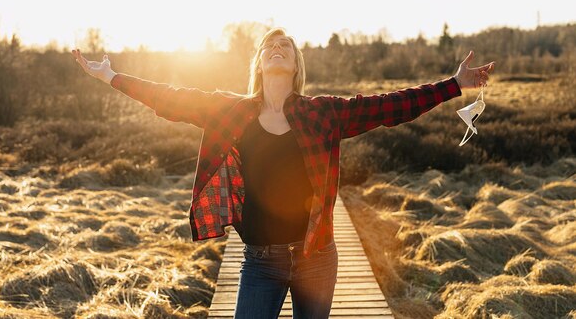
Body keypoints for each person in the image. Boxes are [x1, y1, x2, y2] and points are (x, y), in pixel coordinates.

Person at [71, 27, 494, 318]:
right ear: (258, 63)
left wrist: (453, 85)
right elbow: (169, 98)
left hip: (317, 257)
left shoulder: (323, 113)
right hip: (261, 262)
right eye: (269, 46)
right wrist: (111, 76)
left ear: (295, 66)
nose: (277, 49)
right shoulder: (231, 111)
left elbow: (390, 106)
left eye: (285, 47)